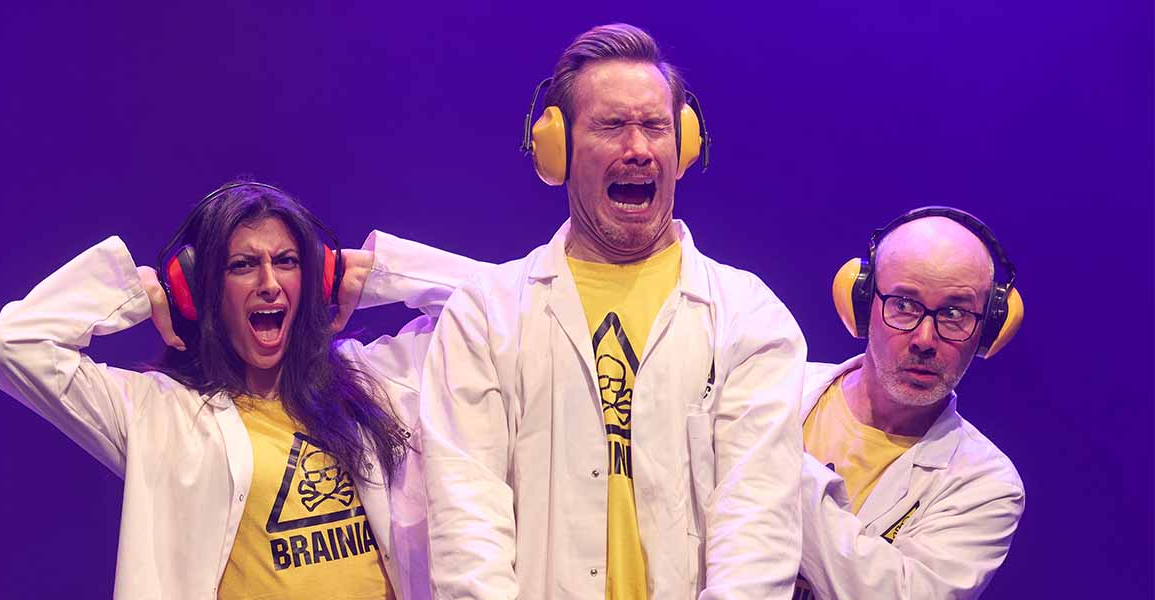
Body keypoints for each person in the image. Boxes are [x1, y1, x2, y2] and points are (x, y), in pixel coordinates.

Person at [421, 24, 807, 599]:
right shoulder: (485, 314)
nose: (639, 148)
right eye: (611, 126)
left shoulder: (751, 317)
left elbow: (758, 527)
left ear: (684, 146)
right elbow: (467, 524)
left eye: (655, 126)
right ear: (558, 149)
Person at [0, 181, 485, 599]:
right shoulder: (158, 413)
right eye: (242, 265)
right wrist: (132, 291)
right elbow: (13, 345)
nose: (269, 282)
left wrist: (380, 272)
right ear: (199, 289)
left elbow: (494, 313)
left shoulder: (375, 380)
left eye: (287, 261)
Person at [794, 207, 1026, 599]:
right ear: (863, 304)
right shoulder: (772, 386)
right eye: (904, 304)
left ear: (988, 331)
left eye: (954, 313)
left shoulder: (987, 484)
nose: (924, 339)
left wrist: (767, 455)